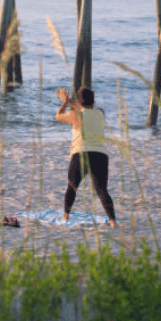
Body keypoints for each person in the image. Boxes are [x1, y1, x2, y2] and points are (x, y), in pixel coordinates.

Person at [55, 87, 117, 227]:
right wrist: (69, 100)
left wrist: (64, 103)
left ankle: (66, 215)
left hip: (81, 154)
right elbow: (83, 107)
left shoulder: (75, 114)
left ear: (78, 101)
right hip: (100, 155)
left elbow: (58, 116)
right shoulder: (101, 112)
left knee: (72, 187)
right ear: (93, 100)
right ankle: (112, 220)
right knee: (102, 190)